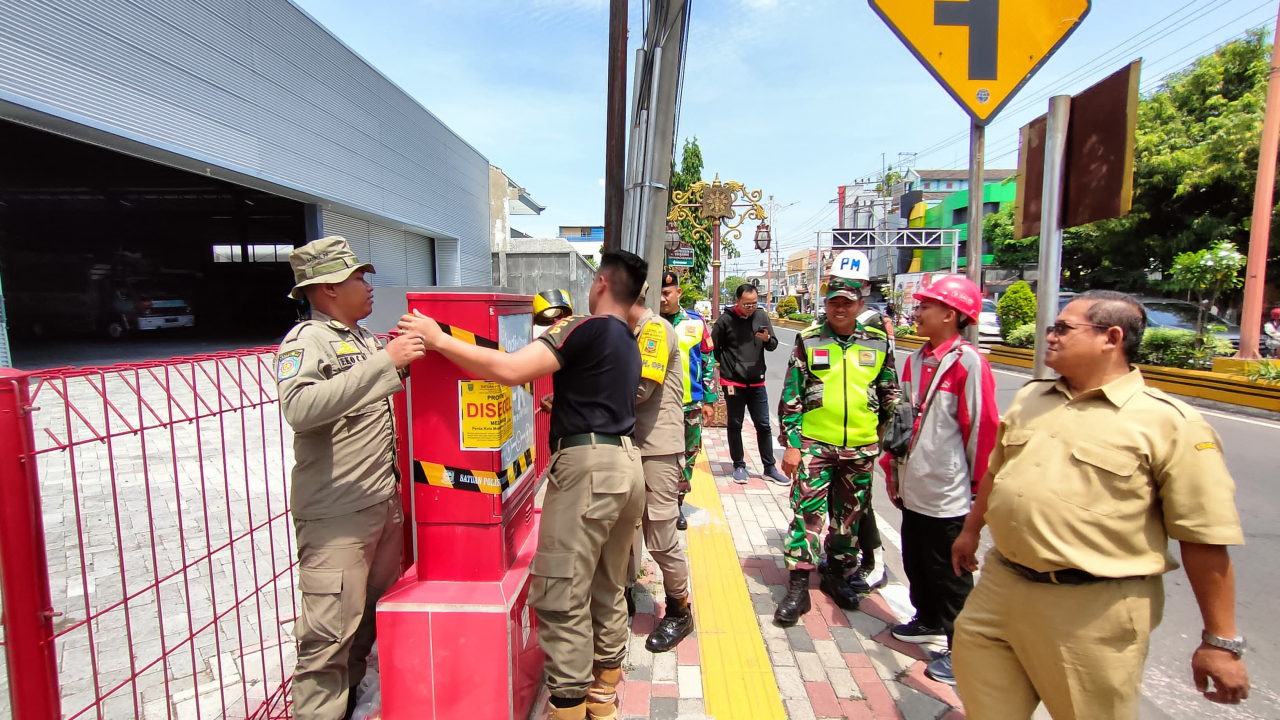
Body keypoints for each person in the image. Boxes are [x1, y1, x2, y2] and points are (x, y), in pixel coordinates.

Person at [951, 290, 1250, 719]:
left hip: (1092, 611)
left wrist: (1221, 642)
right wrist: (970, 532)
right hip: (1000, 589)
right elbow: (999, 473)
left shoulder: (1171, 424)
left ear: (1111, 337)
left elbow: (1204, 536)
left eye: (1062, 328)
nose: (1049, 336)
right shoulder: (1032, 398)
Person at [399, 250, 649, 720]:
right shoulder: (628, 340)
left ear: (599, 283)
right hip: (626, 465)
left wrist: (437, 337)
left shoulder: (582, 327)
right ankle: (604, 696)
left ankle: (570, 707)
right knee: (607, 584)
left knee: (560, 593)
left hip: (588, 473)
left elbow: (511, 369)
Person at [277, 236, 426, 720]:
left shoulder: (361, 339)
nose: (368, 285)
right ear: (325, 289)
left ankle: (349, 708)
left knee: (363, 627)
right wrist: (387, 362)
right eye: (357, 277)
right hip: (337, 517)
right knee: (327, 641)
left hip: (380, 505)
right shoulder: (307, 340)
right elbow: (299, 409)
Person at [879, 276, 998, 686]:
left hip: (950, 493)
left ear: (950, 315)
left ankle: (962, 649)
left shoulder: (968, 363)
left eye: (925, 306)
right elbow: (901, 421)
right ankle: (926, 619)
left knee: (950, 574)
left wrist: (979, 488)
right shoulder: (916, 360)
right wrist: (893, 470)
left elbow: (981, 429)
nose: (917, 312)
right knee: (917, 560)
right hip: (915, 485)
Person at [774, 273, 901, 625]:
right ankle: (798, 586)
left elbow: (890, 393)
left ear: (860, 305)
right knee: (807, 515)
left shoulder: (877, 342)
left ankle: (837, 574)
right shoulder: (809, 339)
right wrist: (793, 445)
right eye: (834, 302)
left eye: (848, 302)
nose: (840, 308)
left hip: (860, 448)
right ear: (825, 304)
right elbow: (791, 396)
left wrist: (885, 438)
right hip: (815, 445)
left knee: (849, 520)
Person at [626, 287, 695, 652]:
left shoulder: (654, 330)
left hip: (657, 449)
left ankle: (679, 609)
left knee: (661, 535)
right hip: (632, 445)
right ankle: (623, 594)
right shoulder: (628, 332)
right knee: (622, 525)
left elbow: (641, 389)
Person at [711, 283, 788, 485]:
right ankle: (739, 465)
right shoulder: (725, 321)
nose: (751, 308)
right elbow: (714, 348)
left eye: (754, 304)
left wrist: (767, 338)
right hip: (733, 382)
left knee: (763, 424)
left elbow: (772, 345)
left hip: (756, 382)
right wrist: (727, 368)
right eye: (747, 304)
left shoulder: (761, 317)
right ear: (737, 301)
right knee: (735, 424)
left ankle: (769, 467)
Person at [659, 271, 717, 531]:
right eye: (659, 293)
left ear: (678, 293)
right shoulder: (649, 322)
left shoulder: (695, 322)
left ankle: (677, 503)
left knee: (688, 456)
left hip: (689, 403)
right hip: (657, 405)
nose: (662, 298)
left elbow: (707, 362)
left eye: (667, 293)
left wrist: (709, 400)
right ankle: (658, 503)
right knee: (659, 456)